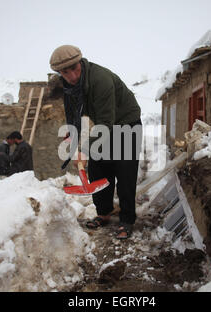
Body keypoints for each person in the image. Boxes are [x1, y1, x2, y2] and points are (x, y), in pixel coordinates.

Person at [50, 45, 142, 240]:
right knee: (99, 167)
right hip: (105, 124)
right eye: (66, 72)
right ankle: (104, 212)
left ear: (80, 62)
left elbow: (106, 124)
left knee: (124, 170)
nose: (73, 76)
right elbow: (72, 114)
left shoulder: (100, 80)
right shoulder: (69, 87)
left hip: (126, 123)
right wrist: (72, 134)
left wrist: (84, 149)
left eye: (75, 69)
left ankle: (127, 220)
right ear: (60, 73)